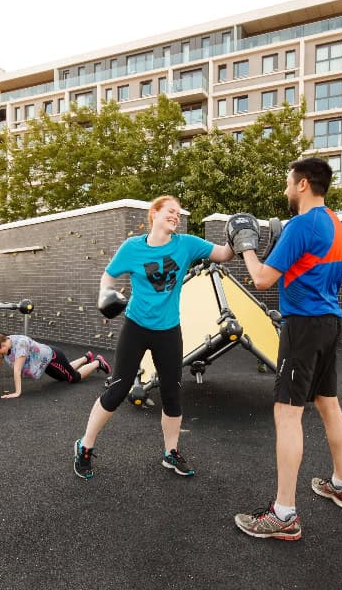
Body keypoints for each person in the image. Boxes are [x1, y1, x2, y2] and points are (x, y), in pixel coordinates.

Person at [232, 157, 342, 542]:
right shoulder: (335, 223)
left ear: (303, 184)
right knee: (328, 403)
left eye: (289, 182)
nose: (286, 189)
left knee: (287, 414)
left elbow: (263, 279)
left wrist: (246, 247)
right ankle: (341, 484)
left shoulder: (302, 224)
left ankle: (284, 513)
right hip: (329, 323)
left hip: (302, 326)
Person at [72, 195, 235, 480]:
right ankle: (84, 446)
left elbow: (223, 254)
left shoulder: (187, 244)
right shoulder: (132, 248)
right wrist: (106, 296)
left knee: (172, 393)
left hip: (168, 330)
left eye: (178, 213)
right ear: (155, 214)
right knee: (117, 390)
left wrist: (239, 238)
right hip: (136, 326)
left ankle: (170, 453)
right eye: (170, 211)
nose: (176, 216)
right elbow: (108, 277)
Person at [0, 329, 111, 398]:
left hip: (52, 358)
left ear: (1, 345)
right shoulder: (3, 346)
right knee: (64, 376)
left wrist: (17, 392)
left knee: (73, 378)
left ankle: (97, 362)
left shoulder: (20, 345)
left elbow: (17, 370)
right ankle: (85, 358)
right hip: (46, 363)